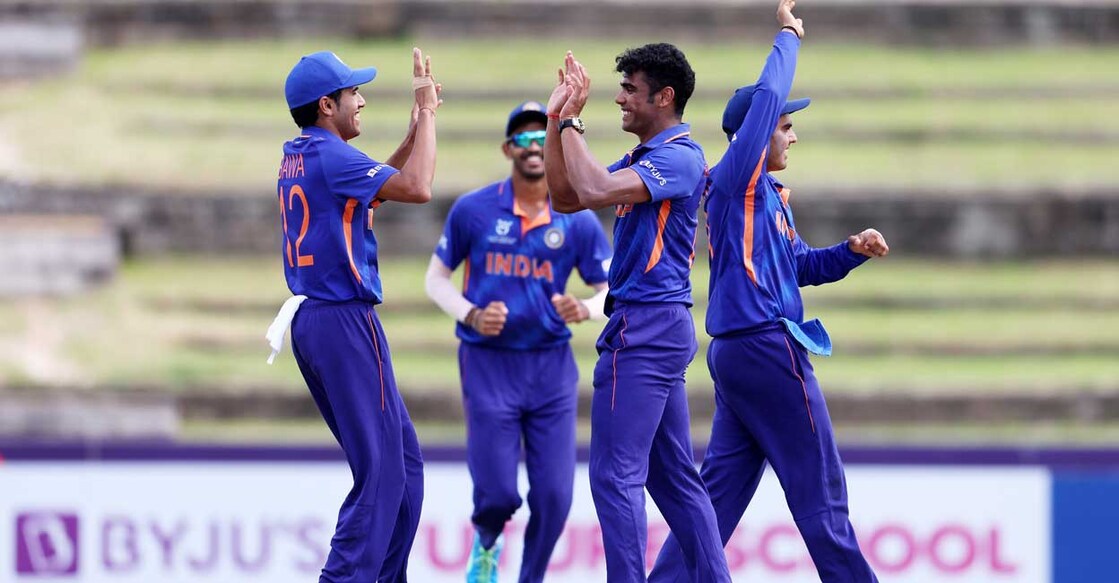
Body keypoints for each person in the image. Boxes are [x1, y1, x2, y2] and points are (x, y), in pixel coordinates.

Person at [648, 1, 888, 581]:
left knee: (713, 504)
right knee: (822, 497)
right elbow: (771, 94)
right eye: (784, 124)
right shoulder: (738, 177)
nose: (793, 136)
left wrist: (849, 254)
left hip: (737, 356)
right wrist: (788, 36)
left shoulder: (768, 198)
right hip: (766, 349)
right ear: (754, 134)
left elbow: (799, 266)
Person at [543, 46, 733, 583]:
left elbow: (595, 190)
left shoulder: (678, 156)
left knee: (614, 475)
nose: (621, 98)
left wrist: (574, 119)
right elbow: (566, 196)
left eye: (630, 88)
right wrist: (557, 120)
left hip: (645, 326)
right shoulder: (646, 157)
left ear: (664, 97)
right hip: (656, 323)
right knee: (673, 478)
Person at [270, 48, 441, 583]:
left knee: (405, 469)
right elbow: (416, 188)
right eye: (353, 94)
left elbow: (368, 192)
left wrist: (412, 134)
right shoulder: (332, 156)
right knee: (383, 473)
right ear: (327, 106)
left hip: (318, 320)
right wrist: (429, 112)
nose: (361, 100)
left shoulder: (304, 151)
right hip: (343, 319)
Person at [424, 100, 612, 583]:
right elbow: (436, 280)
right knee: (497, 495)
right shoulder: (474, 210)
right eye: (523, 139)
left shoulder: (576, 217)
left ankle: (530, 577)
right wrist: (472, 314)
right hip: (489, 365)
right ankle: (486, 542)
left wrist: (585, 309)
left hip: (550, 369)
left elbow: (611, 289)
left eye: (540, 139)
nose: (532, 148)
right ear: (509, 148)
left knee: (554, 497)